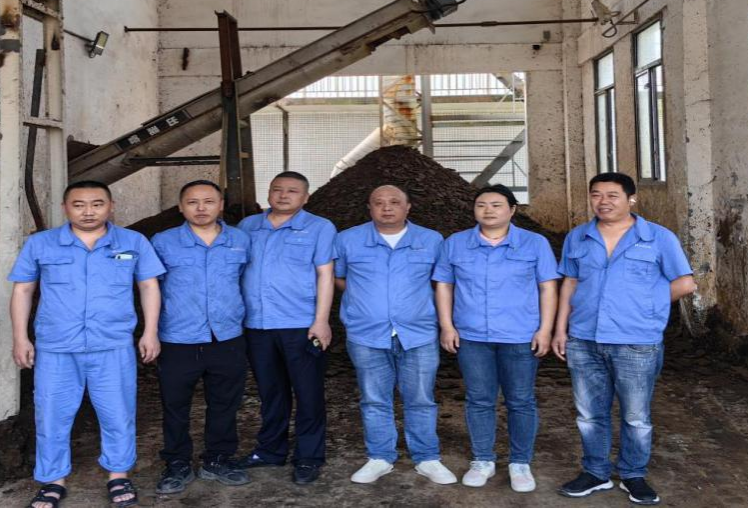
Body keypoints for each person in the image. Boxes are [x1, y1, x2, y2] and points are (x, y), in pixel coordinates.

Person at [9, 180, 162, 509]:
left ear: (111, 206)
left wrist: (150, 332)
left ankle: (118, 475)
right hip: (57, 347)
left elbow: (149, 286)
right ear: (65, 208)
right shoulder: (41, 244)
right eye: (78, 205)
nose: (88, 211)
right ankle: (53, 480)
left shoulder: (133, 242)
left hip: (112, 345)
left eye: (97, 204)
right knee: (52, 414)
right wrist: (20, 337)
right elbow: (23, 290)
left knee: (118, 412)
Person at [552, 172, 696, 506]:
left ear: (631, 199)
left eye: (612, 195)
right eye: (596, 195)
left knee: (635, 416)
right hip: (584, 338)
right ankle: (596, 472)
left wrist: (647, 307)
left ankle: (633, 474)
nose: (603, 202)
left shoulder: (658, 238)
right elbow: (570, 283)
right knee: (590, 414)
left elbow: (685, 283)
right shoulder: (578, 237)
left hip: (636, 341)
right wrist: (560, 329)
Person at [434, 184, 559, 493]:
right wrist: (447, 326)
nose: (488, 210)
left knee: (521, 400)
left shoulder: (534, 243)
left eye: (496, 204)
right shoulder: (456, 243)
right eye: (481, 205)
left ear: (512, 210)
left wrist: (545, 330)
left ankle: (520, 462)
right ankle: (483, 460)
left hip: (520, 336)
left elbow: (547, 287)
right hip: (472, 336)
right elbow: (444, 286)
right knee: (479, 399)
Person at [333, 185, 456, 485]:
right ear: (369, 207)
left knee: (421, 398)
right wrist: (366, 301)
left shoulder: (431, 240)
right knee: (374, 399)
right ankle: (380, 457)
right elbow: (338, 277)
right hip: (366, 333)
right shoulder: (348, 239)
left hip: (418, 332)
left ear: (408, 207)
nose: (386, 208)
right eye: (379, 203)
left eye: (394, 202)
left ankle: (427, 458)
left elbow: (441, 282)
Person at [149, 180, 252, 495]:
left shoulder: (240, 240)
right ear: (181, 207)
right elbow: (150, 288)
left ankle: (217, 459)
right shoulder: (163, 242)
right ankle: (177, 462)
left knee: (225, 403)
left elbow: (245, 280)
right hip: (178, 338)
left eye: (209, 201)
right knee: (175, 405)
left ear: (221, 205)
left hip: (227, 336)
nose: (201, 208)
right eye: (192, 202)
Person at [237, 171, 336, 484]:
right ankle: (271, 450)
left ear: (305, 197)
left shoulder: (319, 227)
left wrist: (321, 320)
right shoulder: (248, 226)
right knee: (270, 392)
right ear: (268, 193)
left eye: (292, 191)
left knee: (308, 393)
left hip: (300, 324)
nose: (283, 195)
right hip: (257, 324)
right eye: (277, 189)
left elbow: (325, 275)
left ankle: (309, 457)